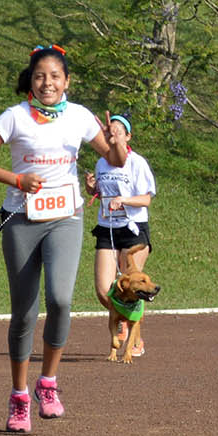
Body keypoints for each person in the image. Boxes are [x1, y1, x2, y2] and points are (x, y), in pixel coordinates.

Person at [0, 45, 127, 433]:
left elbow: (116, 160)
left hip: (65, 218)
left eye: (54, 76)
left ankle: (47, 384)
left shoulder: (80, 116)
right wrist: (17, 180)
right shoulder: (15, 117)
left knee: (61, 299)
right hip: (21, 219)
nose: (47, 82)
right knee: (24, 312)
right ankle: (19, 397)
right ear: (30, 82)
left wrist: (116, 139)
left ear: (66, 81)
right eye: (39, 76)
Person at [85, 114, 154, 356]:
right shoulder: (102, 162)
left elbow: (146, 199)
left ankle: (136, 338)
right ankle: (123, 322)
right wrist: (92, 188)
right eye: (109, 131)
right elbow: (102, 193)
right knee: (105, 290)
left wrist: (123, 200)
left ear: (127, 137)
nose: (112, 134)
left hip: (133, 228)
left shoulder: (137, 163)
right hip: (107, 227)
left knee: (132, 285)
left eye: (117, 131)